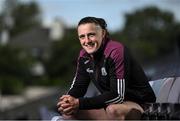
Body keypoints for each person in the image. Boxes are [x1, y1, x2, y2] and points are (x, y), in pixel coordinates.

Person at [57, 16, 156, 120]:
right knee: (70, 112)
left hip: (141, 105)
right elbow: (78, 86)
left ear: (103, 34)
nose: (87, 41)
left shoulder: (116, 51)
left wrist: (79, 103)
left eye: (91, 35)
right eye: (82, 37)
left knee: (113, 110)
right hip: (112, 105)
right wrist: (68, 101)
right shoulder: (83, 56)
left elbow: (117, 96)